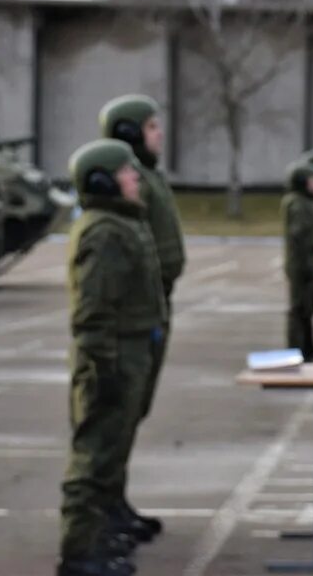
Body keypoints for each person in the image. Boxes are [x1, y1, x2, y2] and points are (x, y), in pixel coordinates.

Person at [58, 139, 165, 576]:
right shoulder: (104, 232)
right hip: (112, 358)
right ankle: (79, 555)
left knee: (110, 457)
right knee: (93, 460)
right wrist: (104, 370)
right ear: (103, 181)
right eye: (125, 172)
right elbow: (94, 312)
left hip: (129, 353)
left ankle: (98, 541)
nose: (135, 177)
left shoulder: (121, 224)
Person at [98, 94, 184, 542]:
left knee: (135, 409)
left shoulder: (149, 177)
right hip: (136, 312)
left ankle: (117, 500)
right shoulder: (134, 183)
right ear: (129, 133)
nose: (159, 134)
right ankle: (105, 508)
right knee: (119, 414)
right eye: (151, 127)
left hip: (155, 307)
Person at [281, 159, 313, 361]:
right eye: (312, 180)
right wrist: (307, 262)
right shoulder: (297, 202)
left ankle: (309, 348)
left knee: (308, 308)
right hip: (302, 262)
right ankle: (296, 351)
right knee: (299, 308)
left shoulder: (311, 202)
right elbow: (298, 237)